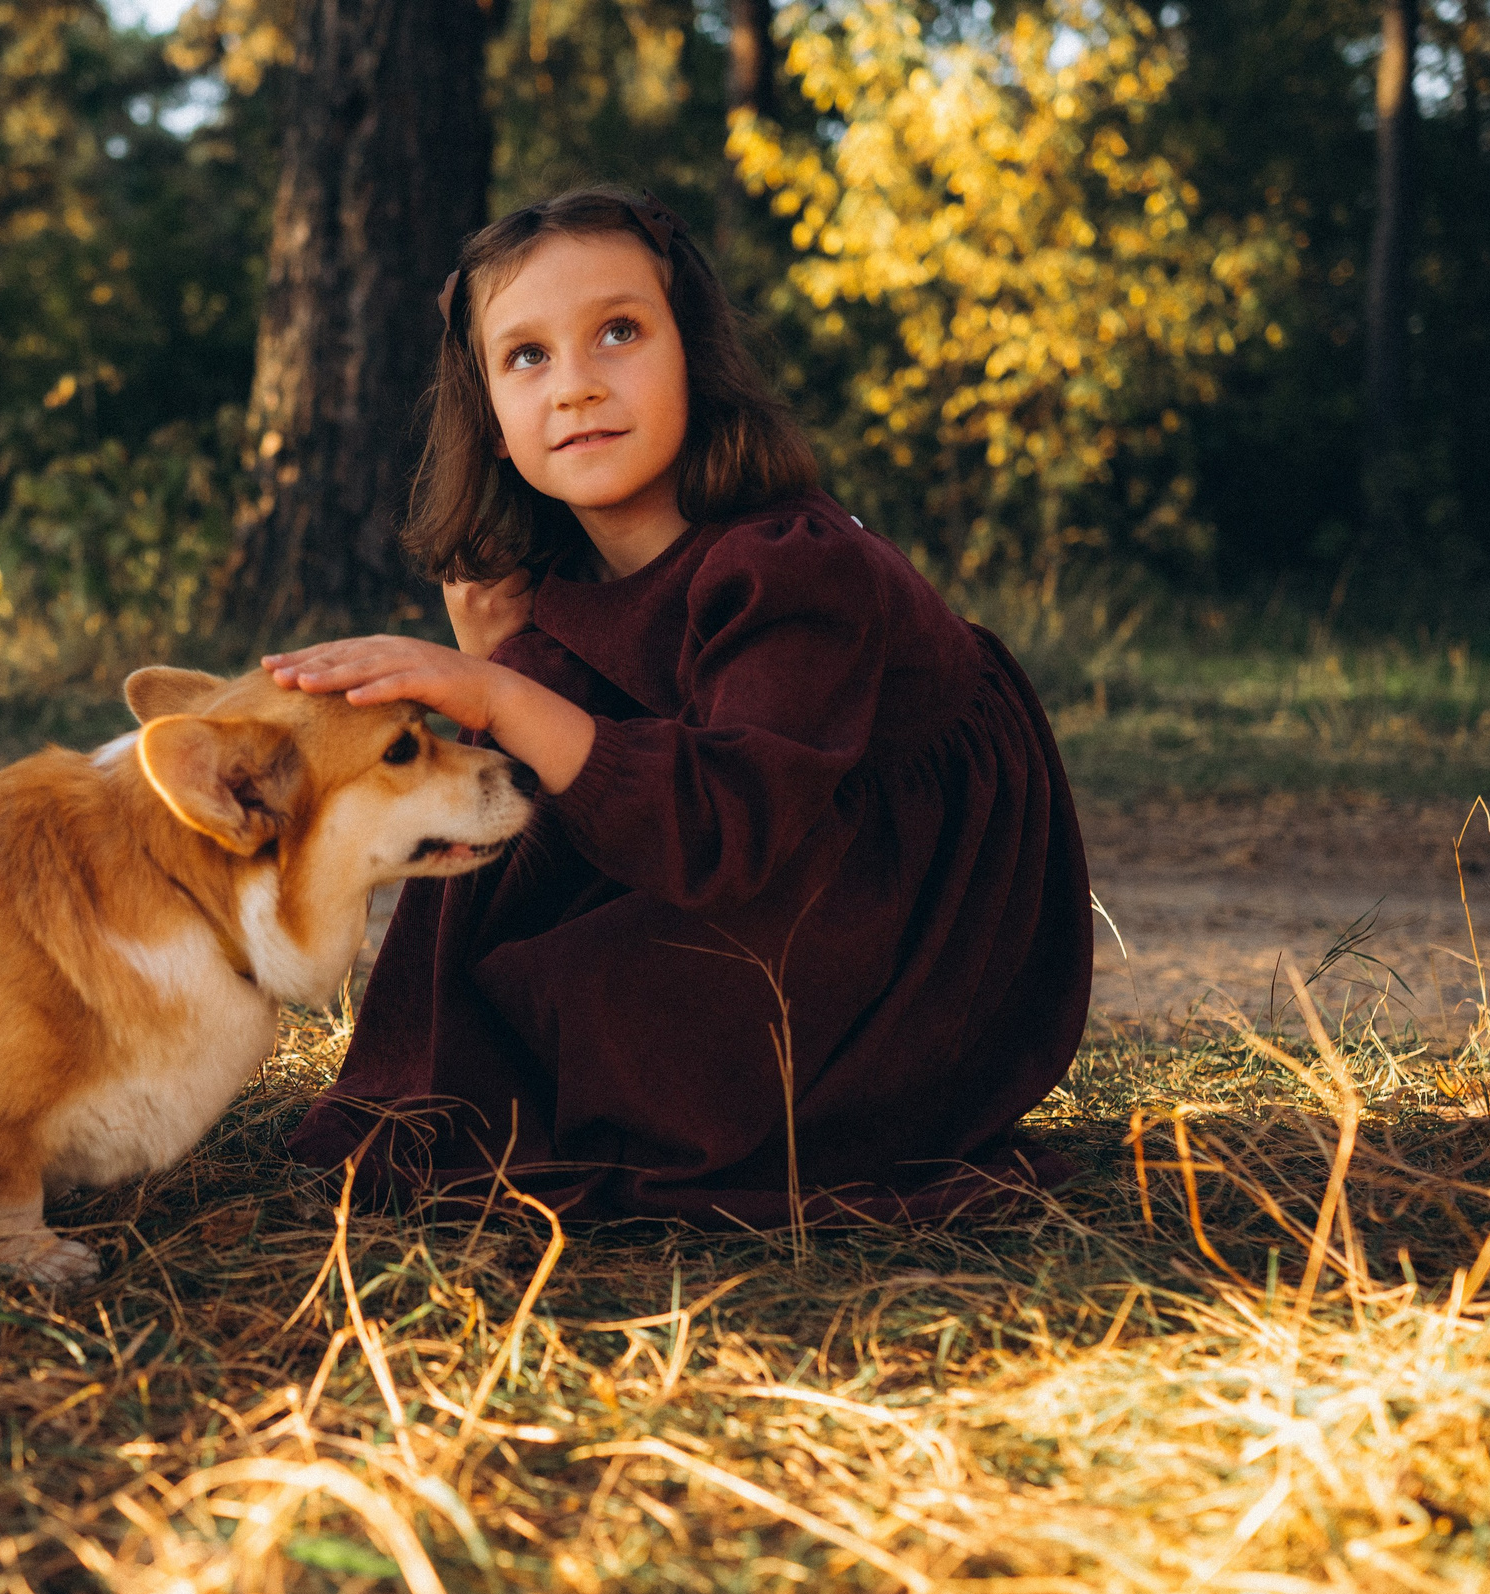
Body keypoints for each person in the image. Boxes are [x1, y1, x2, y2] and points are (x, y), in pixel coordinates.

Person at [262, 186, 1093, 1228]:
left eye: (618, 332)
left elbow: (728, 824)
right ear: (488, 412)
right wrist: (503, 663)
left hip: (885, 918)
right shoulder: (560, 575)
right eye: (526, 356)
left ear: (692, 353)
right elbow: (592, 760)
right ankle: (459, 1091)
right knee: (507, 833)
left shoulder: (794, 565)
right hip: (749, 853)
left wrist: (495, 685)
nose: (575, 387)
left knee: (609, 1008)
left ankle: (662, 1103)